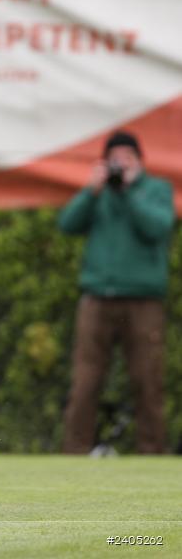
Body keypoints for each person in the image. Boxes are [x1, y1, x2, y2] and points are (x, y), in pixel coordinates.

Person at [59, 130, 174, 455]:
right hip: (98, 298)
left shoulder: (155, 190)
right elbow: (67, 224)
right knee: (86, 379)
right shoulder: (98, 193)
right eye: (114, 159)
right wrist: (91, 191)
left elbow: (158, 228)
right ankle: (74, 451)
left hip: (143, 299)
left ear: (140, 161)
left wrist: (129, 192)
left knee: (147, 378)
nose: (120, 164)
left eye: (127, 158)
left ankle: (152, 452)